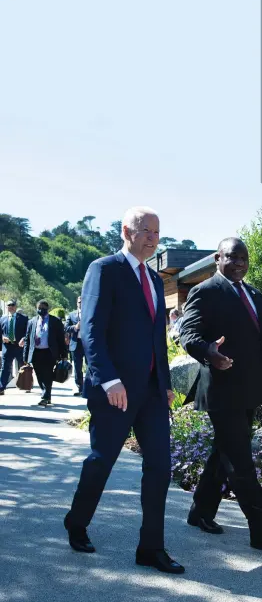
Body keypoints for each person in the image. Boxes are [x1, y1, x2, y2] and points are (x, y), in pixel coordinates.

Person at [64, 206, 184, 575]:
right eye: (145, 230)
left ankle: (151, 547)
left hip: (149, 393)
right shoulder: (104, 269)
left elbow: (157, 340)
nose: (152, 237)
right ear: (126, 231)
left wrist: (164, 385)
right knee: (102, 461)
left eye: (156, 232)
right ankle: (77, 521)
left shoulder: (152, 277)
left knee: (161, 467)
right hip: (115, 389)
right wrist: (108, 379)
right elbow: (92, 329)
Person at [180, 237, 262, 550]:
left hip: (249, 390)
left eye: (244, 258)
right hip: (220, 390)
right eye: (233, 257)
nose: (240, 264)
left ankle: (200, 511)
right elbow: (187, 333)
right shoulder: (205, 291)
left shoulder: (254, 294)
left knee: (225, 452)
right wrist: (209, 352)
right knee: (240, 460)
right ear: (218, 258)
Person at [23, 300, 67, 407]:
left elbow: (61, 339)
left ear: (47, 309)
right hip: (36, 352)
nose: (40, 310)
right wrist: (25, 356)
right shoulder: (32, 321)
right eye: (39, 308)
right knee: (39, 375)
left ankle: (45, 396)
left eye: (43, 308)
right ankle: (45, 393)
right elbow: (27, 339)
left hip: (49, 352)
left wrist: (64, 355)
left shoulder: (55, 321)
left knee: (47, 374)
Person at [0, 300, 28, 395]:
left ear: (16, 307)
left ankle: (27, 384)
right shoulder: (2, 319)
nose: (10, 307)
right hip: (7, 347)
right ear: (7, 307)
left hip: (19, 346)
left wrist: (24, 339)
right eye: (9, 305)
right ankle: (1, 388)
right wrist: (2, 337)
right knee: (5, 367)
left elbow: (28, 332)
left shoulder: (24, 318)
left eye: (12, 305)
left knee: (24, 366)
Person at [65, 296, 85, 396]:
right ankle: (80, 388)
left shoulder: (90, 312)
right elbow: (66, 328)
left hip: (88, 343)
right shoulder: (72, 314)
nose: (81, 303)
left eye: (82, 301)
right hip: (76, 344)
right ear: (77, 303)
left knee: (91, 366)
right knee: (77, 368)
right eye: (79, 302)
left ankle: (90, 387)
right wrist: (75, 327)